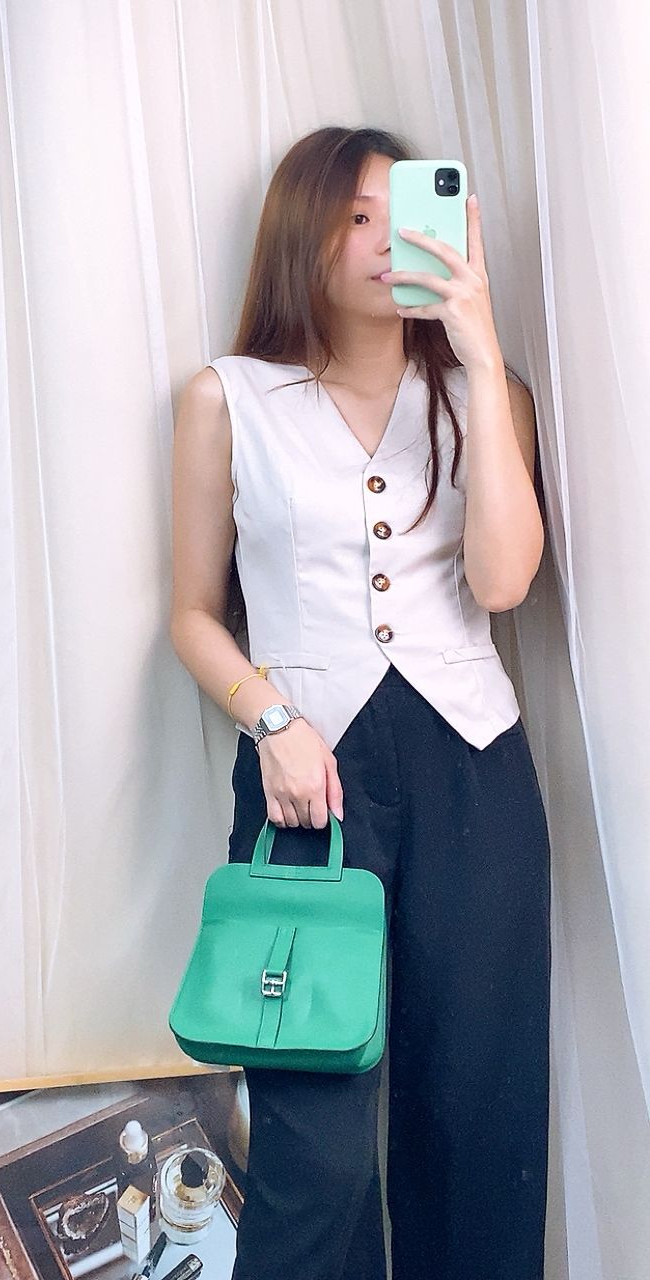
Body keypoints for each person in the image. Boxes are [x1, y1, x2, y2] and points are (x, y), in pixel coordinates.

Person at [170, 125, 551, 1280]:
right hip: (304, 788)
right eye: (357, 216)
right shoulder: (227, 398)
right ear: (306, 231)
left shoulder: (487, 393)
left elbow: (503, 583)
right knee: (316, 1155)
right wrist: (270, 720)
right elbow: (190, 612)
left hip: (474, 776)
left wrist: (480, 350)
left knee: (477, 1124)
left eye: (407, 212)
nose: (388, 239)